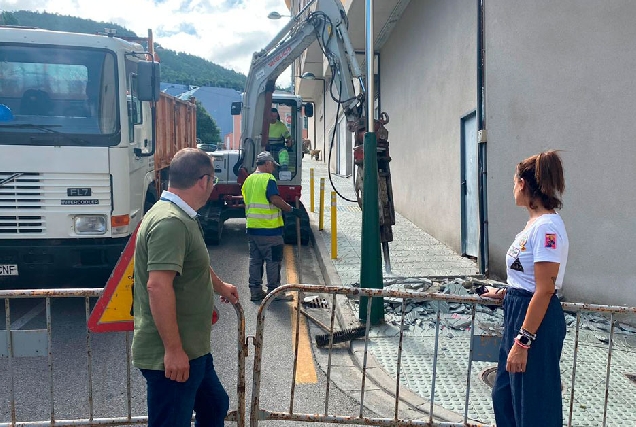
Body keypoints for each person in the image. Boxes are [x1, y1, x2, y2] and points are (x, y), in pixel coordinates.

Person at [132, 147, 239, 427]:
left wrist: (220, 286)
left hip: (194, 348)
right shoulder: (171, 222)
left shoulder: (181, 215)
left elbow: (194, 263)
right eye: (213, 180)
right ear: (203, 181)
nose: (212, 187)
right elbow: (157, 286)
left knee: (215, 404)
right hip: (175, 356)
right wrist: (174, 350)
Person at [482, 150, 569, 427]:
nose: (512, 189)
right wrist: (506, 293)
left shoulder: (547, 229)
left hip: (535, 324)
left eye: (513, 182)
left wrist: (523, 341)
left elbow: (544, 290)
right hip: (519, 312)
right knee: (505, 398)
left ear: (522, 184)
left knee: (533, 408)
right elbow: (528, 279)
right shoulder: (534, 225)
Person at [242, 151, 302, 301]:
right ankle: (274, 292)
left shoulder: (248, 180)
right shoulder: (268, 179)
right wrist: (292, 210)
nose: (274, 169)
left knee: (255, 260)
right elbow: (274, 199)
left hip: (252, 228)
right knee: (273, 260)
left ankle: (255, 291)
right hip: (269, 230)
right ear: (267, 164)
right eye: (273, 165)